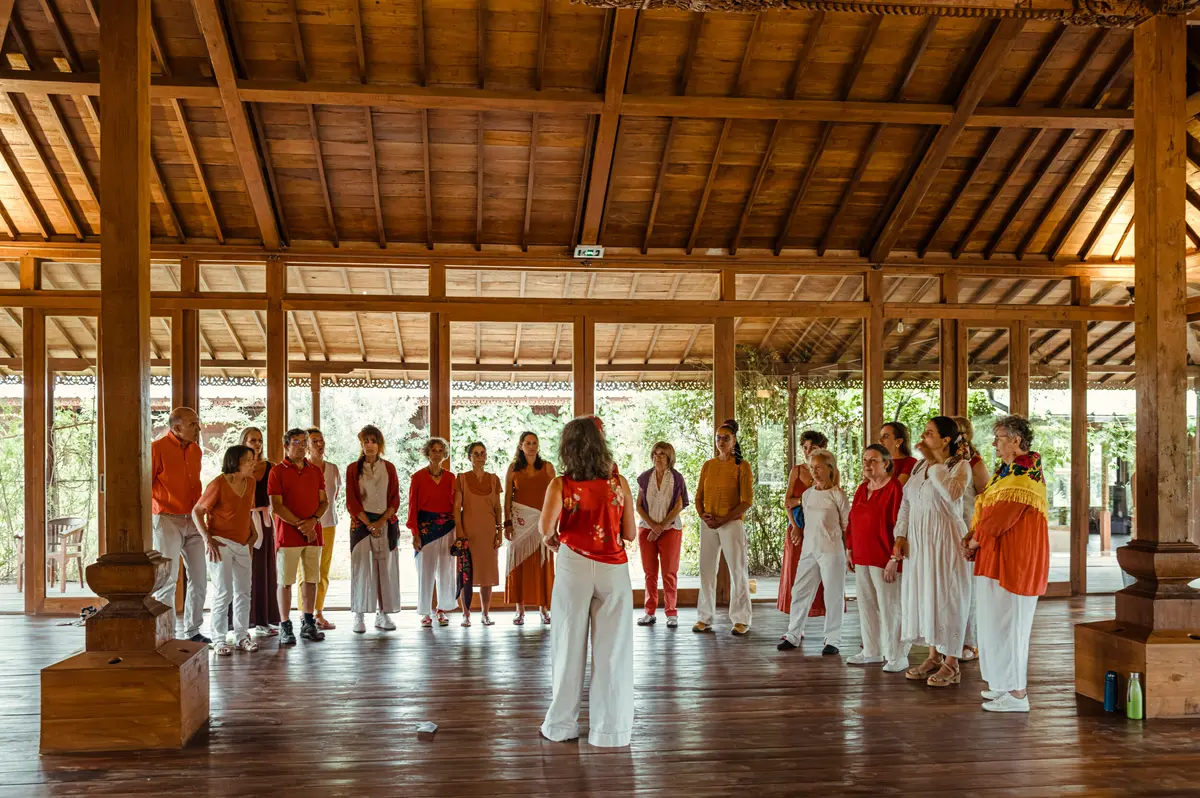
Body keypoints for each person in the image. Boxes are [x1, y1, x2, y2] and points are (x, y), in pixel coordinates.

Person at [539, 417, 637, 748]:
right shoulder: (618, 483)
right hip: (613, 568)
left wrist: (557, 542)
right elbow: (630, 534)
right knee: (613, 651)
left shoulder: (560, 485)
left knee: (567, 645)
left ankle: (562, 725)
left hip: (573, 564)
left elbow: (545, 530)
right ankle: (610, 732)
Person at [963, 415, 1049, 713]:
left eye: (999, 437)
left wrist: (975, 540)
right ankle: (1001, 683)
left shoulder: (1025, 472)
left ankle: (1017, 693)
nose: (995, 443)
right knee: (993, 622)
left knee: (1010, 624)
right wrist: (974, 536)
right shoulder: (1006, 470)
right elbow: (988, 509)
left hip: (1015, 560)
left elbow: (1002, 516)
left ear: (1016, 440)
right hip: (996, 554)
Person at [887, 417, 973, 687]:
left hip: (946, 540)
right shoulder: (919, 467)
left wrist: (936, 461)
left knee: (948, 595)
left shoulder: (960, 466)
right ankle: (933, 655)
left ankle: (952, 663)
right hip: (919, 541)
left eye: (929, 433)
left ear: (946, 439)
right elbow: (906, 503)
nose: (923, 437)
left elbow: (952, 495)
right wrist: (900, 535)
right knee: (926, 595)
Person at [778, 449, 849, 655]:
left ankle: (833, 639)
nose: (814, 472)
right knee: (800, 590)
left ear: (830, 469)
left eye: (818, 467)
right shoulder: (807, 494)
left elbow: (847, 526)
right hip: (809, 550)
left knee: (833, 594)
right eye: (812, 468)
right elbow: (805, 521)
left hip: (832, 551)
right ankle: (793, 634)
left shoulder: (838, 495)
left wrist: (848, 551)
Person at [844, 444, 907, 672]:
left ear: (886, 463)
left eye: (873, 460)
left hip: (884, 557)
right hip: (861, 555)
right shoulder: (863, 488)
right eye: (864, 460)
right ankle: (871, 650)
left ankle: (896, 655)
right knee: (866, 605)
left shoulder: (894, 488)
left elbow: (900, 525)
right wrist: (849, 549)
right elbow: (853, 520)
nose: (867, 465)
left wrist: (894, 558)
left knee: (890, 606)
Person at [192, 444, 259, 655]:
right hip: (220, 543)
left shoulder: (251, 483)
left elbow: (245, 510)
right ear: (236, 461)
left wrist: (253, 533)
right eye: (249, 459)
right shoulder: (218, 484)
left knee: (244, 592)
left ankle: (241, 636)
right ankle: (219, 639)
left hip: (242, 543)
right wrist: (207, 539)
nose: (253, 462)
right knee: (223, 592)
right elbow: (197, 511)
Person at [150, 406, 209, 643]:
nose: (199, 427)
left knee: (200, 578)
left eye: (197, 422)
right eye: (193, 424)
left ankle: (193, 631)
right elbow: (146, 485)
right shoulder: (157, 449)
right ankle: (167, 635)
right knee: (168, 580)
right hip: (167, 520)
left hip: (193, 520)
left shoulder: (196, 450)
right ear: (176, 427)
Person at [267, 428, 329, 646]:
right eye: (296, 442)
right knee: (285, 581)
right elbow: (277, 506)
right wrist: (301, 525)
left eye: (304, 442)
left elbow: (324, 502)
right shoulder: (277, 471)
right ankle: (285, 625)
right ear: (286, 446)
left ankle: (308, 621)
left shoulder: (316, 471)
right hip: (288, 535)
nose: (302, 446)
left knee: (312, 579)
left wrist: (313, 521)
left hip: (314, 533)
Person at [693, 419, 754, 636]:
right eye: (718, 437)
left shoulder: (741, 466)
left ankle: (741, 619)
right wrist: (703, 515)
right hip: (709, 523)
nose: (721, 441)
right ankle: (704, 617)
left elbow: (747, 501)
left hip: (732, 524)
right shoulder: (708, 465)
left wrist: (724, 519)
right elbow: (698, 496)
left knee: (737, 571)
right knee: (706, 571)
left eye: (725, 438)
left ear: (734, 440)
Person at [345, 425, 402, 634]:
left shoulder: (389, 468)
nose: (369, 446)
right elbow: (351, 500)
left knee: (383, 569)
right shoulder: (353, 468)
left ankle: (383, 613)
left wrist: (380, 522)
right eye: (366, 441)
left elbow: (395, 498)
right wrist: (368, 523)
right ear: (361, 443)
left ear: (380, 444)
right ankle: (359, 615)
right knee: (361, 569)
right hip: (361, 525)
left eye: (373, 441)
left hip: (385, 523)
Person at [778, 430, 831, 625]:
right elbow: (787, 501)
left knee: (824, 576)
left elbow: (830, 500)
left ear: (822, 449)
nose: (808, 451)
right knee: (796, 577)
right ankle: (795, 626)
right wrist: (795, 527)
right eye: (805, 447)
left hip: (820, 530)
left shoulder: (828, 471)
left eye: (813, 448)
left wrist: (802, 499)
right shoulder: (797, 470)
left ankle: (828, 627)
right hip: (798, 527)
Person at [635, 441, 689, 628]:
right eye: (655, 453)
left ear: (669, 457)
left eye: (662, 454)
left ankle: (671, 613)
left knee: (669, 573)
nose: (657, 457)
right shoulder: (644, 478)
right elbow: (639, 506)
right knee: (650, 573)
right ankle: (649, 612)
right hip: (646, 530)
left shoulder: (677, 478)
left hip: (671, 530)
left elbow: (679, 505)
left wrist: (661, 527)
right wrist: (653, 526)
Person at [504, 432, 556, 625]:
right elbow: (507, 496)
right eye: (528, 443)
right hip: (520, 522)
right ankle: (520, 610)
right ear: (521, 446)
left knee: (543, 563)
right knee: (520, 564)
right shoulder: (513, 469)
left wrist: (555, 523)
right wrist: (507, 522)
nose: (532, 446)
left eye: (535, 443)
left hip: (543, 520)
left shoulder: (548, 467)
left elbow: (556, 495)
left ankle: (544, 609)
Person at [951, 415, 991, 663]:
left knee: (968, 588)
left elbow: (986, 500)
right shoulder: (940, 464)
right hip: (944, 530)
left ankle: (970, 640)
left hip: (966, 529)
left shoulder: (975, 463)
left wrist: (975, 532)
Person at [408, 437, 458, 628]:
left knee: (446, 571)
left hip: (447, 528)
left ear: (444, 454)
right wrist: (415, 533)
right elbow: (412, 507)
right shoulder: (417, 477)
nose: (437, 453)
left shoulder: (451, 478)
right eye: (433, 450)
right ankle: (425, 612)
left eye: (440, 450)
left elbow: (455, 506)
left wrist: (459, 532)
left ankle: (442, 610)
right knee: (425, 572)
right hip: (425, 529)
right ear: (427, 453)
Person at [453, 441, 503, 627]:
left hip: (488, 531)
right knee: (466, 573)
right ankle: (466, 614)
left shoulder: (494, 479)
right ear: (469, 457)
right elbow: (457, 506)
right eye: (476, 453)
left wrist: (500, 530)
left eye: (482, 453)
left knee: (487, 575)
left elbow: (498, 507)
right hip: (468, 531)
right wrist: (459, 529)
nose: (480, 456)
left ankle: (485, 613)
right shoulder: (462, 478)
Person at [298, 427, 341, 631]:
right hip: (305, 526)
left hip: (328, 524)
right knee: (305, 572)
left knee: (323, 571)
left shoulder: (332, 468)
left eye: (321, 440)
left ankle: (319, 612)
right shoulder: (301, 468)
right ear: (306, 445)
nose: (319, 444)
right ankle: (303, 614)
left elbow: (335, 496)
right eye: (314, 441)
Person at [241, 427, 280, 636]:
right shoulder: (237, 467)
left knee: (264, 571)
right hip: (242, 521)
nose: (257, 444)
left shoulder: (270, 467)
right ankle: (241, 623)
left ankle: (264, 621)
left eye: (259, 440)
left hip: (264, 522)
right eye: (252, 440)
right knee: (243, 572)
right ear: (244, 442)